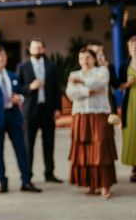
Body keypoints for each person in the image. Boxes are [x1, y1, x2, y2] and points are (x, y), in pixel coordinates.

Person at [0, 46, 41, 193]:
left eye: (3, 56)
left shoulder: (13, 75)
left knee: (21, 150)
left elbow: (21, 93)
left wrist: (20, 98)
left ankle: (26, 181)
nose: (1, 59)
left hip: (13, 117)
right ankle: (3, 182)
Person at [66, 47, 117, 199]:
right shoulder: (73, 74)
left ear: (94, 59)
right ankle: (90, 184)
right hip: (81, 115)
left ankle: (105, 186)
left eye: (87, 58)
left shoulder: (102, 71)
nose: (84, 62)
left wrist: (81, 82)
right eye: (81, 58)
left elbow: (101, 85)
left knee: (101, 148)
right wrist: (88, 91)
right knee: (84, 148)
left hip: (99, 114)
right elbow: (71, 93)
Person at [16, 39, 63, 183]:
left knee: (49, 143)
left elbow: (56, 88)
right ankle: (28, 175)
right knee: (28, 144)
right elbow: (18, 89)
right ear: (29, 49)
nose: (38, 50)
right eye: (35, 47)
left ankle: (49, 173)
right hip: (30, 111)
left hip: (47, 109)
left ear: (44, 49)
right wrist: (30, 87)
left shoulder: (51, 66)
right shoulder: (23, 66)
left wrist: (58, 108)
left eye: (40, 47)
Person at [119, 35, 136, 181]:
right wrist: (127, 84)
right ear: (128, 48)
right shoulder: (124, 65)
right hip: (131, 103)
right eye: (132, 46)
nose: (134, 49)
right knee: (132, 133)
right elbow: (118, 85)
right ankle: (135, 168)